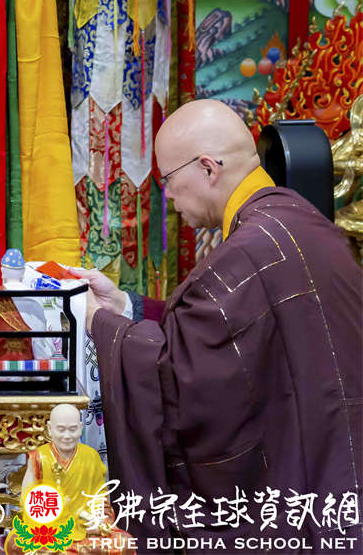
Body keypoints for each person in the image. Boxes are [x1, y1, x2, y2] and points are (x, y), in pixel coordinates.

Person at [74, 99, 363, 547]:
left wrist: (100, 324)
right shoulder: (301, 223)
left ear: (208, 167)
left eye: (168, 180)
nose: (169, 198)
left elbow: (184, 379)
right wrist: (126, 307)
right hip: (336, 471)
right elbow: (229, 336)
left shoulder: (251, 250)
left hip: (297, 497)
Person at [4, 404, 133, 555]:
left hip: (84, 528)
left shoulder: (91, 457)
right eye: (61, 429)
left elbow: (100, 499)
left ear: (80, 428)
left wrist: (98, 521)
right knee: (17, 542)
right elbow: (27, 500)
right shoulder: (39, 457)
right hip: (49, 529)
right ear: (50, 429)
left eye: (72, 429)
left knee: (124, 543)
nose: (67, 436)